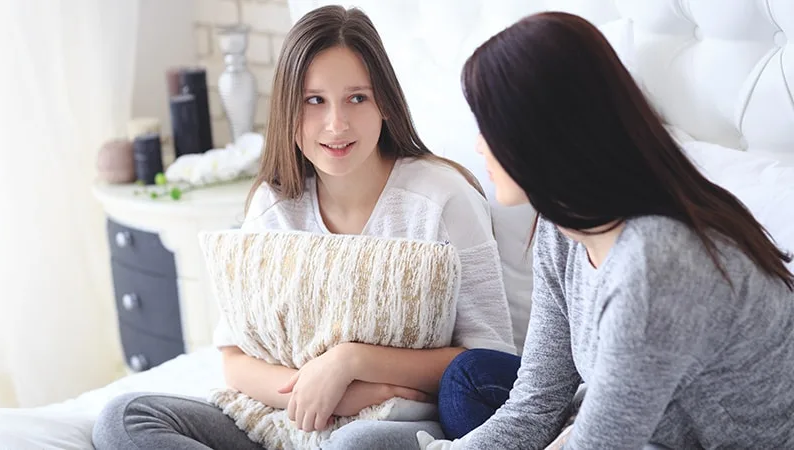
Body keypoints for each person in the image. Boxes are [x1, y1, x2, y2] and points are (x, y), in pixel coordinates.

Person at [91, 5, 516, 450]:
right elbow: (234, 358)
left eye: (357, 97)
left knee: (354, 446)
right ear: (288, 109)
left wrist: (351, 362)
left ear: (386, 103)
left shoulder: (442, 198)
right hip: (282, 418)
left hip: (393, 421)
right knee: (125, 418)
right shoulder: (272, 204)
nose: (336, 124)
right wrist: (330, 391)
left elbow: (488, 359)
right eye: (315, 101)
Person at [420, 11, 794, 450]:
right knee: (422, 407)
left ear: (541, 131)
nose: (480, 144)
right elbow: (535, 407)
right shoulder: (561, 228)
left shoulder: (656, 261)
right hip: (634, 430)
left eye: (490, 124)